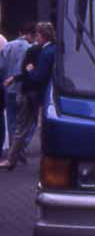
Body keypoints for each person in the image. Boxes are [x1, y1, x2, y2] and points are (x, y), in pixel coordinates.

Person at [0, 22, 56, 170]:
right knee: (31, 126)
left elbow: (37, 75)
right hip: (38, 93)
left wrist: (24, 73)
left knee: (18, 124)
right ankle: (18, 154)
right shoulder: (47, 50)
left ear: (43, 35)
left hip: (27, 92)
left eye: (38, 34)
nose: (36, 37)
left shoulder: (42, 51)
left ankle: (12, 157)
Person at [0, 22, 36, 150]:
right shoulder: (33, 49)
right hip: (25, 90)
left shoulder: (8, 46)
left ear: (20, 33)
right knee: (29, 121)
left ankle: (12, 148)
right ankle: (22, 145)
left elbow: (1, 67)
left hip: (9, 88)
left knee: (11, 120)